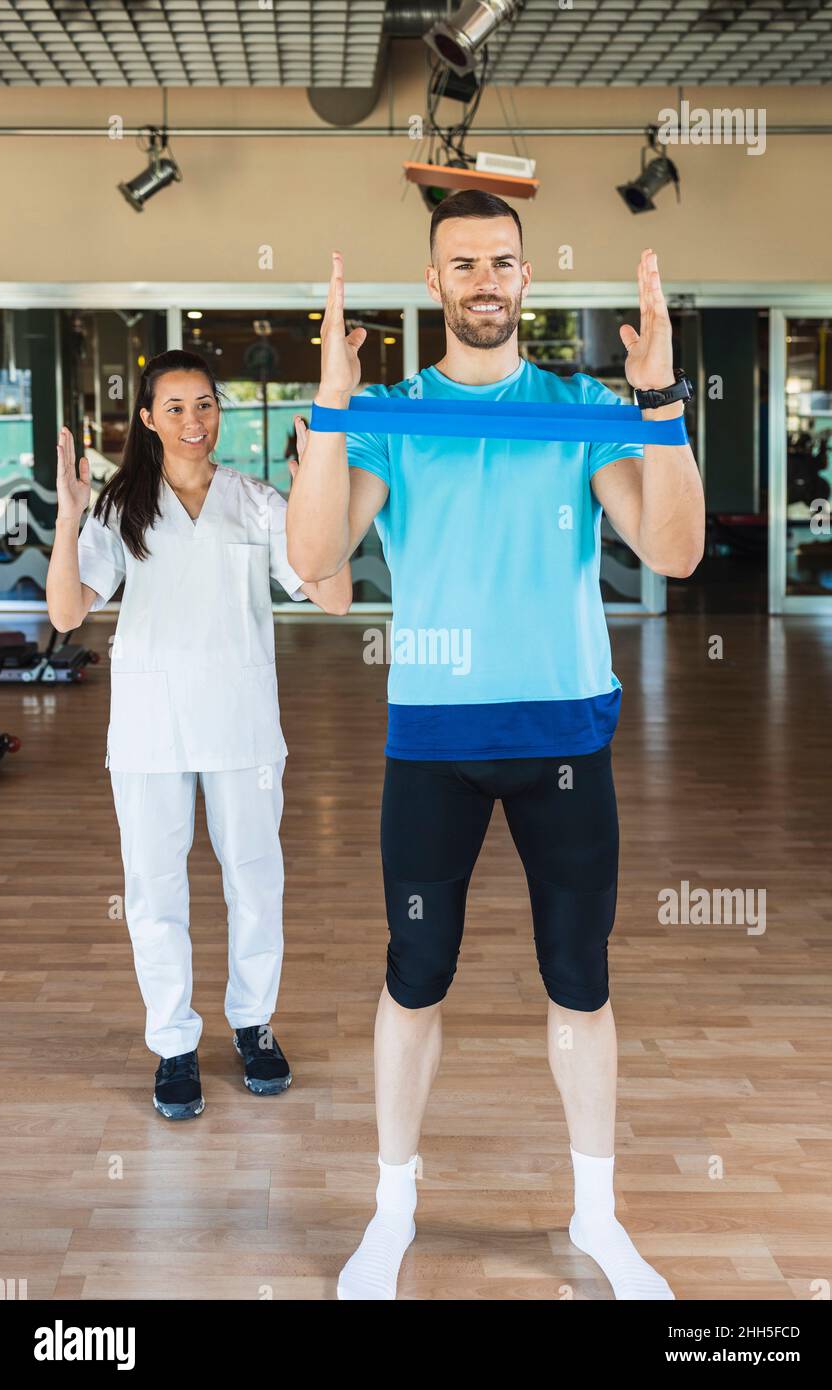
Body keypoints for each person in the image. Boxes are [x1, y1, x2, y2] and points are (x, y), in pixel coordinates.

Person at [287, 191, 704, 1300]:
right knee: (415, 975)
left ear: (527, 277)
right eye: (462, 262)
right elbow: (316, 560)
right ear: (433, 283)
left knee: (580, 978)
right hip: (434, 742)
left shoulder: (582, 408)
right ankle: (391, 1211)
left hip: (565, 734)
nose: (483, 279)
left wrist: (660, 398)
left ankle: (597, 1215)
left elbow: (672, 551)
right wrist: (329, 408)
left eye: (501, 261)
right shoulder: (389, 414)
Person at [46, 349, 351, 1120]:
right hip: (149, 730)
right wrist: (68, 513)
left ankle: (254, 1024)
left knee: (255, 879)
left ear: (222, 412)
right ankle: (174, 1042)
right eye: (175, 407)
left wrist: (319, 493)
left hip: (242, 725)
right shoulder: (119, 509)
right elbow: (67, 612)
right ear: (148, 419)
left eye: (206, 405)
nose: (193, 421)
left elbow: (336, 597)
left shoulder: (259, 502)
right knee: (154, 887)